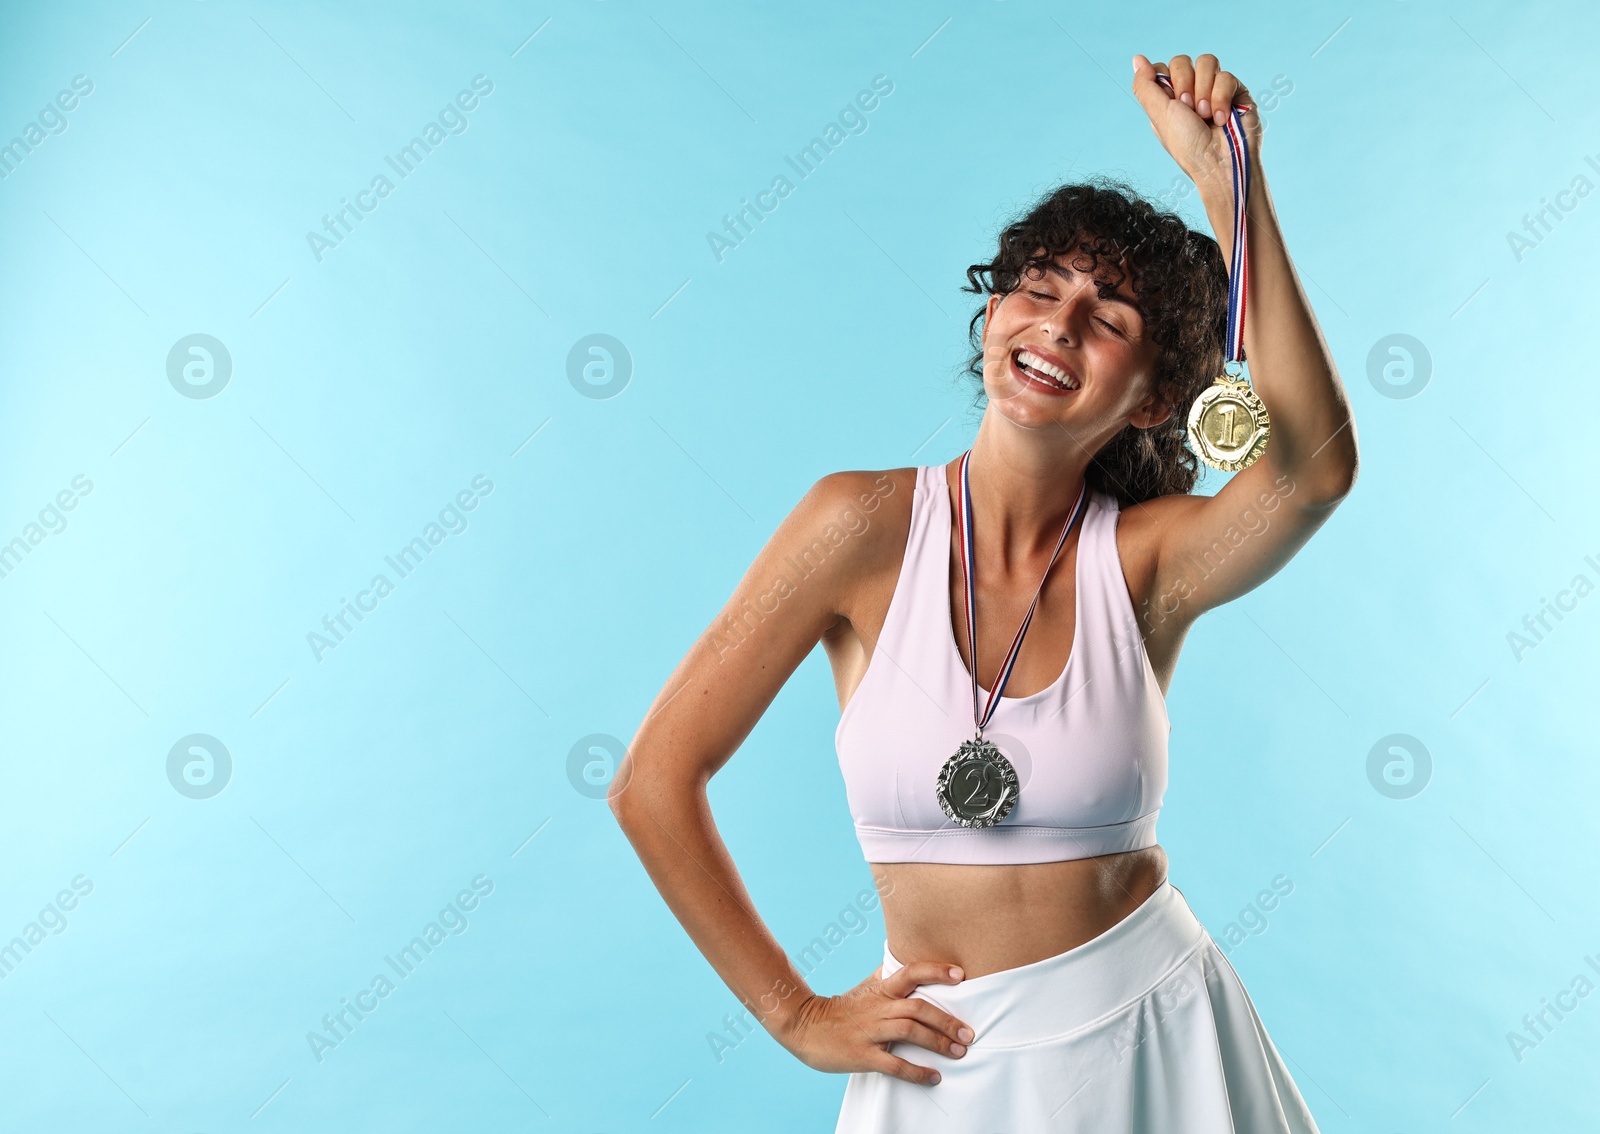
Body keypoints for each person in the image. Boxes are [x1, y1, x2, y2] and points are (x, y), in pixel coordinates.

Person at [610, 52, 1356, 1132]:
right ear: (994, 313)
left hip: (1159, 1040)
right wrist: (792, 1013)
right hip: (941, 1074)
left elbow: (1314, 466)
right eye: (1038, 288)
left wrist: (1227, 186)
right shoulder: (855, 526)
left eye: (1109, 319)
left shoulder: (1145, 562)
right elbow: (653, 780)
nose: (1058, 324)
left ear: (1152, 400)